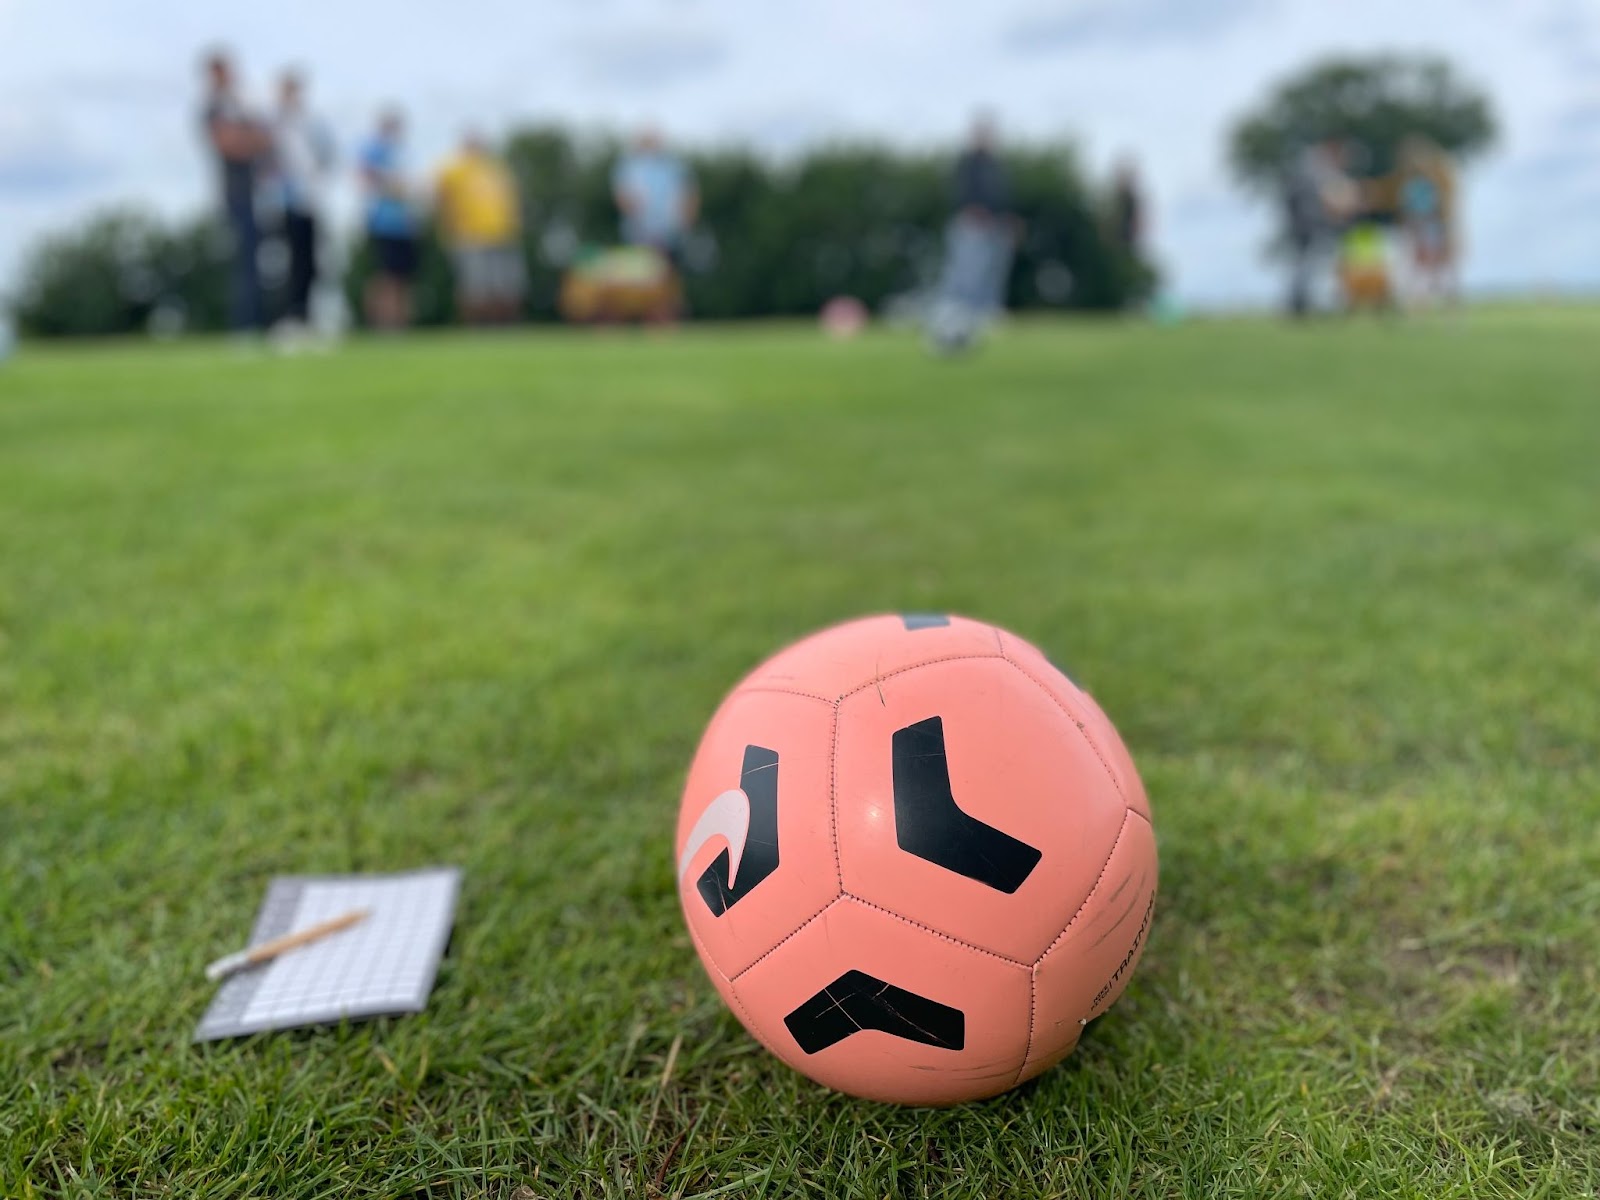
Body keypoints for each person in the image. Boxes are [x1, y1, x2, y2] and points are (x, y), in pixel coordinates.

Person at [926, 115, 1018, 352]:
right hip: (972, 224)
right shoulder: (968, 162)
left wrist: (1007, 218)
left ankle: (983, 314)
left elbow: (1002, 196)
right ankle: (954, 314)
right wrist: (974, 212)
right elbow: (961, 192)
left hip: (995, 226)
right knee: (966, 272)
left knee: (989, 272)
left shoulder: (995, 164)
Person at [199, 51, 272, 334]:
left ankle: (256, 323)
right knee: (242, 262)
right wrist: (248, 139)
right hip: (235, 193)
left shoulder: (241, 108)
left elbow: (265, 139)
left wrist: (248, 136)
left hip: (257, 193)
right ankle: (243, 326)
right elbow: (231, 145)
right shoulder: (212, 108)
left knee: (257, 262)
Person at [435, 133, 525, 325]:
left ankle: (503, 327)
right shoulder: (454, 171)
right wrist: (448, 230)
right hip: (470, 236)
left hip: (502, 235)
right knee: (474, 287)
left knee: (505, 285)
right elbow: (443, 200)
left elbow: (512, 200)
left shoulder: (497, 170)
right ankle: (475, 327)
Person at [271, 70, 336, 337]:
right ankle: (291, 316)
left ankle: (306, 315)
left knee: (310, 262)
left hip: (310, 201)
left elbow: (326, 156)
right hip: (283, 203)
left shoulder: (311, 123)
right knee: (288, 262)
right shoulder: (273, 124)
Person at [1282, 137, 1359, 318]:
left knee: (1309, 268)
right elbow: (1330, 204)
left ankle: (1305, 304)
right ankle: (1304, 304)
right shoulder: (1318, 177)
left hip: (1309, 228)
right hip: (1312, 229)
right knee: (1311, 269)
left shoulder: (1307, 176)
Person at [359, 109, 419, 330]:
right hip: (383, 223)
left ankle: (401, 322)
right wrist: (392, 187)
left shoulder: (403, 152)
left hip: (404, 225)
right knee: (385, 276)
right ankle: (383, 322)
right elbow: (365, 179)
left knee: (403, 277)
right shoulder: (374, 150)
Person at [612, 128, 697, 274]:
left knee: (666, 281)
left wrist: (685, 222)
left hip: (671, 236)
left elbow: (689, 195)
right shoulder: (628, 165)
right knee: (640, 280)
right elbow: (622, 198)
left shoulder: (674, 166)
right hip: (638, 236)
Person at [1395, 136, 1459, 310]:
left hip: (1430, 230)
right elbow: (1408, 210)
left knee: (1437, 269)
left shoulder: (1432, 185)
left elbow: (1438, 210)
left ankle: (1445, 302)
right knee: (1418, 269)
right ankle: (1419, 303)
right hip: (1419, 230)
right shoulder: (1411, 186)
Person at [1110, 156, 1145, 259]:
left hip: (1127, 238)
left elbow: (1136, 222)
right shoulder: (1115, 197)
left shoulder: (1131, 199)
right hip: (1118, 239)